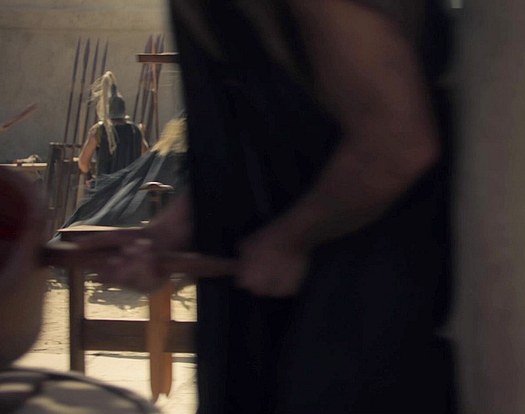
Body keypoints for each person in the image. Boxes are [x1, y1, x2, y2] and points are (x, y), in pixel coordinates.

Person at [77, 1, 455, 413]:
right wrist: (165, 234)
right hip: (265, 319)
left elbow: (398, 144)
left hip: (363, 315)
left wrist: (291, 237)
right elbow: (263, 140)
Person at [78, 72, 148, 177]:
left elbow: (83, 162)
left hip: (106, 185)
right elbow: (146, 156)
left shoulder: (99, 130)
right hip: (129, 184)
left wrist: (89, 176)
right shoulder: (135, 131)